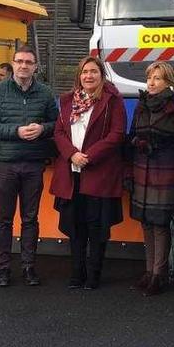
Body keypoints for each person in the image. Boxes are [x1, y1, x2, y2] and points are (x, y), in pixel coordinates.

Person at [0, 46, 59, 287]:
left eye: (29, 62)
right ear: (13, 64)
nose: (24, 66)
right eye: (19, 61)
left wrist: (43, 129)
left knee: (30, 218)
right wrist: (16, 131)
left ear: (35, 67)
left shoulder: (45, 93)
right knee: (4, 219)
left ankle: (28, 266)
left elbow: (57, 123)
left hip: (34, 164)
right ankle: (4, 268)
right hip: (6, 164)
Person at [51, 56, 126, 290]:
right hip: (71, 174)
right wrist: (72, 154)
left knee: (97, 226)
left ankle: (94, 275)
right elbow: (59, 133)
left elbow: (117, 134)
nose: (88, 76)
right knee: (75, 227)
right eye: (84, 72)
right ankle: (76, 273)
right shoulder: (66, 101)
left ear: (102, 76)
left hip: (99, 173)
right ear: (79, 76)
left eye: (93, 71)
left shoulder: (112, 101)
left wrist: (89, 156)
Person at [124, 60, 174, 296]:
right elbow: (131, 139)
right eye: (149, 78)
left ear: (169, 82)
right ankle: (148, 270)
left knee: (161, 225)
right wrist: (130, 170)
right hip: (142, 170)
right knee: (146, 222)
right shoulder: (141, 105)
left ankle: (158, 275)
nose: (151, 83)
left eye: (157, 78)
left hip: (166, 172)